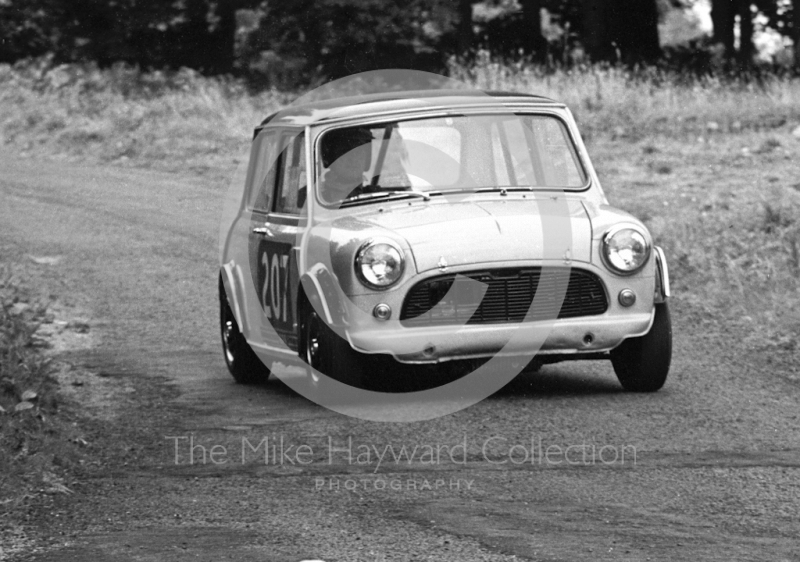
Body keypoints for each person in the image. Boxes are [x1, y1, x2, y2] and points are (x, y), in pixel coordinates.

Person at [319, 127, 375, 204]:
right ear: (331, 157)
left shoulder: (378, 196)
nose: (353, 158)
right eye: (345, 151)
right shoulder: (312, 199)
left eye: (359, 151)